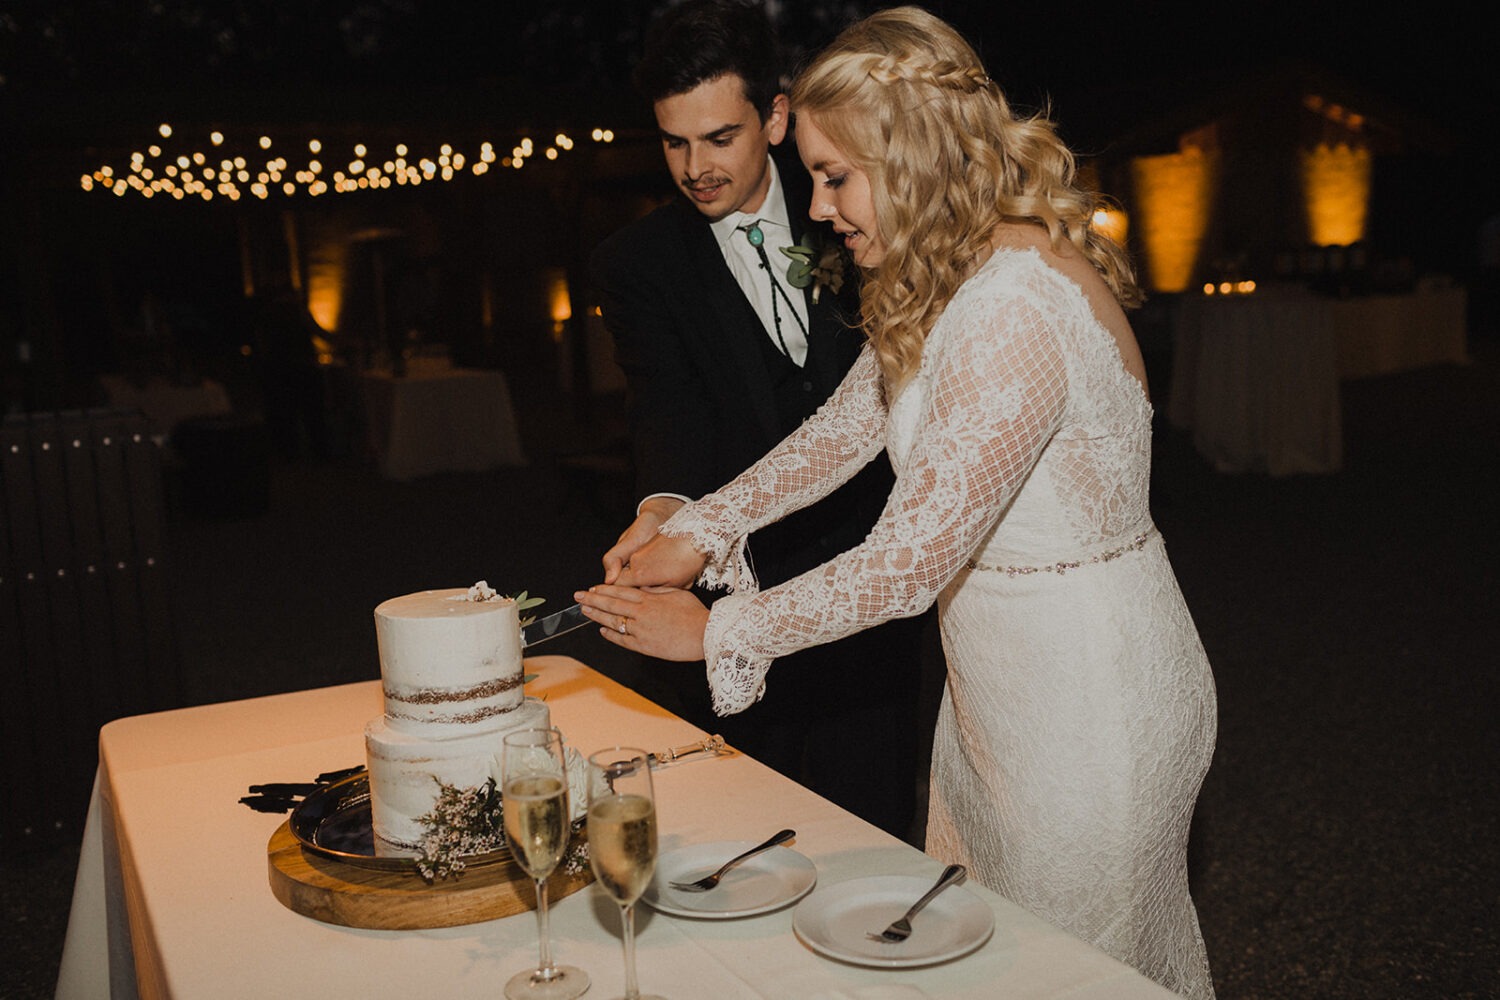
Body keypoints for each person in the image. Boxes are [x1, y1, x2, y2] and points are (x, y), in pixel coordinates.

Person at [578, 8, 1217, 997]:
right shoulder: (946, 277)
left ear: (910, 157)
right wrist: (699, 530)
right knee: (988, 954)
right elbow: (842, 431)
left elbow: (908, 562)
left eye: (837, 175)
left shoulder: (1010, 305)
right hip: (996, 693)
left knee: (1074, 974)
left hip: (1090, 701)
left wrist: (717, 631)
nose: (822, 202)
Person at [587, 0, 928, 839]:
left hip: (872, 574)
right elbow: (665, 400)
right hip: (738, 583)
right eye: (674, 142)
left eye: (719, 138)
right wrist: (663, 509)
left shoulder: (863, 215)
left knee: (876, 835)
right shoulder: (637, 264)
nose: (695, 166)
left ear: (774, 117)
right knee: (748, 841)